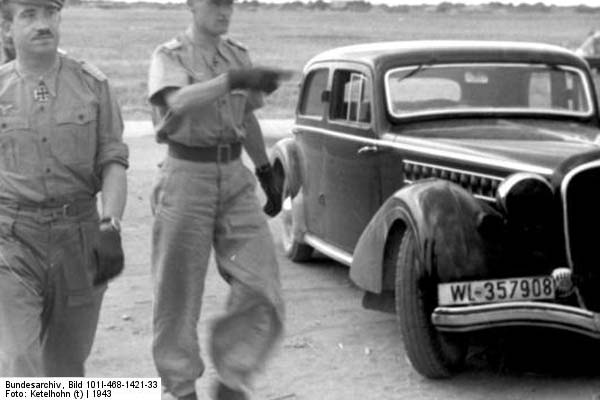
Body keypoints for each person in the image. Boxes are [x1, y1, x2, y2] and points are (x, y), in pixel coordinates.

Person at [147, 0, 288, 398]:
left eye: (230, 3)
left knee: (263, 287)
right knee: (178, 295)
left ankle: (232, 376)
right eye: (214, 3)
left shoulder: (237, 55)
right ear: (192, 5)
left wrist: (265, 169)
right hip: (185, 175)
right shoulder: (169, 54)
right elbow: (177, 101)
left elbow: (246, 118)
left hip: (233, 175)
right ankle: (179, 388)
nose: (224, 11)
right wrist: (230, 80)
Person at [0, 0, 128, 376]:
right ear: (8, 28)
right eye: (29, 15)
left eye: (51, 14)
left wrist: (111, 226)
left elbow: (113, 160)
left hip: (79, 237)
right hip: (12, 240)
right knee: (19, 360)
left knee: (66, 368)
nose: (43, 25)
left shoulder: (93, 84)